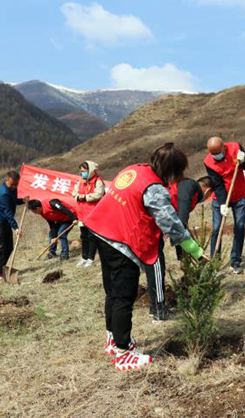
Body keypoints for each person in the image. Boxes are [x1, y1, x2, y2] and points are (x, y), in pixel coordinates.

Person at [84, 143, 207, 371]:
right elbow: (168, 221)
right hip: (121, 241)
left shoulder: (134, 170)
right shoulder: (154, 187)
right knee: (123, 295)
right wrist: (194, 249)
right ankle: (124, 353)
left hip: (101, 230)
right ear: (173, 170)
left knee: (111, 291)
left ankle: (113, 339)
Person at [204, 137, 245, 274]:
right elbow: (217, 184)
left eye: (218, 154)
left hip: (239, 195)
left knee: (239, 227)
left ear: (224, 148)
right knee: (216, 229)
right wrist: (222, 204)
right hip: (220, 198)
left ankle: (236, 261)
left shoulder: (236, 147)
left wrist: (243, 161)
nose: (216, 157)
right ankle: (215, 262)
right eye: (213, 154)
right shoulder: (209, 162)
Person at [169, 176, 213, 260]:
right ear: (208, 191)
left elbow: (178, 219)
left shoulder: (194, 193)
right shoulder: (190, 186)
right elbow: (181, 221)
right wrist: (196, 254)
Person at [0, 171, 24, 280]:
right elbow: (8, 213)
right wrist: (16, 228)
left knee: (9, 247)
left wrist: (23, 200)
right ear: (7, 180)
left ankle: (2, 268)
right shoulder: (4, 193)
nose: (14, 187)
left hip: (6, 222)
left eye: (16, 184)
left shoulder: (12, 190)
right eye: (12, 184)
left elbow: (14, 201)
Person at [71, 161, 105, 268]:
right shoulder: (80, 181)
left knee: (92, 237)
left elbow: (98, 194)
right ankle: (84, 256)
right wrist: (78, 196)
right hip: (82, 214)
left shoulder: (98, 182)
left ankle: (91, 258)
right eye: (80, 171)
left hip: (93, 214)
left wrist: (85, 197)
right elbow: (74, 193)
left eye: (84, 171)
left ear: (90, 171)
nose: (81, 174)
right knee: (83, 236)